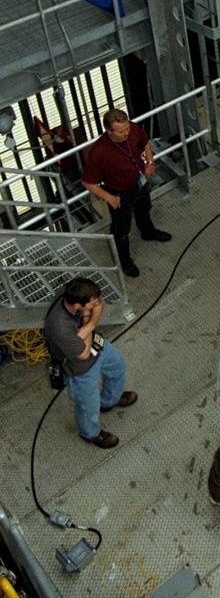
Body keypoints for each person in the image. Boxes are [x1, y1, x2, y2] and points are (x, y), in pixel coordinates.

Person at [43, 277, 137, 449]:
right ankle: (90, 433)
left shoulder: (74, 296)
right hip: (79, 368)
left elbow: (100, 306)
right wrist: (89, 322)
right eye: (91, 303)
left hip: (95, 344)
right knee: (88, 405)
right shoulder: (59, 327)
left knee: (117, 368)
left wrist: (87, 327)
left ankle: (110, 400)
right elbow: (84, 354)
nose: (97, 304)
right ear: (78, 306)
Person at [82, 108, 171, 278]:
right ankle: (125, 261)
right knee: (121, 229)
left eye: (127, 129)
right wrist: (110, 197)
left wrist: (150, 162)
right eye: (121, 131)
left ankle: (148, 232)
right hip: (119, 193)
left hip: (140, 181)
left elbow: (145, 143)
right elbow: (88, 182)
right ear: (109, 131)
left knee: (144, 209)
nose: (126, 133)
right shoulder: (98, 152)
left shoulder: (133, 128)